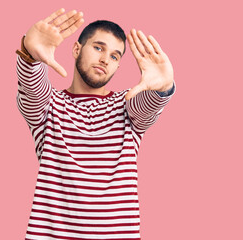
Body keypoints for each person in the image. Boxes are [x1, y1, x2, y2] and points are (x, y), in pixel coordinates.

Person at [16, 8, 175, 240]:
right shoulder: (49, 105)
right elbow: (32, 90)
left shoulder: (126, 105)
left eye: (114, 56)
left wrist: (163, 86)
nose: (104, 59)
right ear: (77, 49)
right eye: (99, 47)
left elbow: (148, 107)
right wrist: (30, 56)